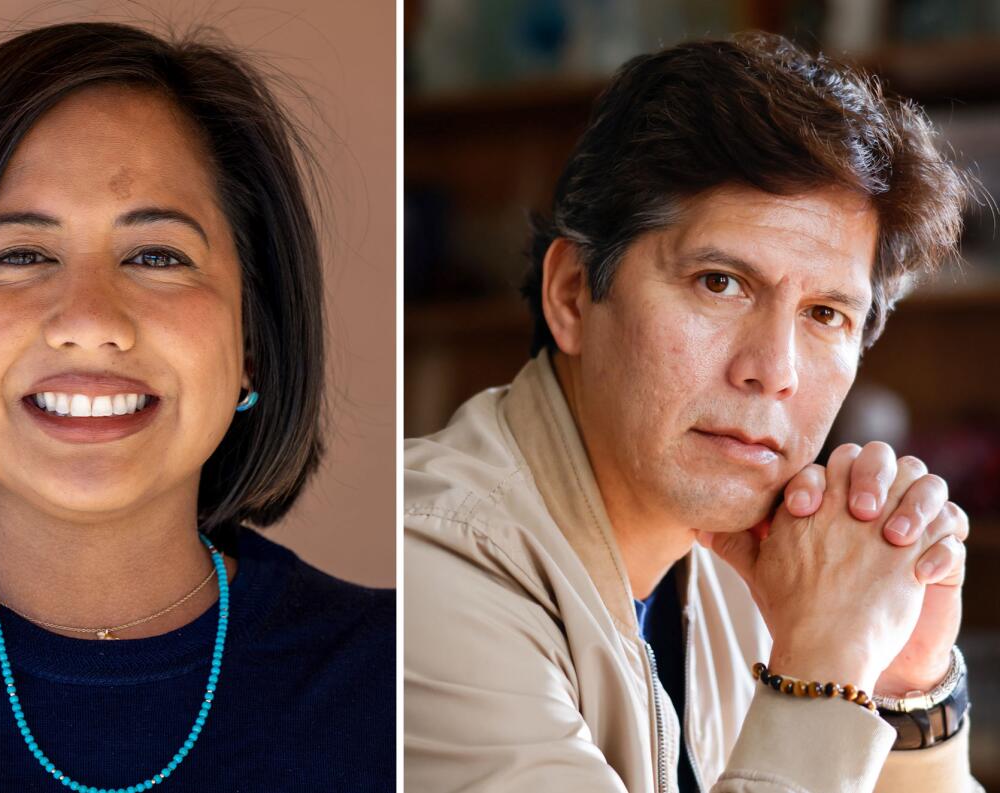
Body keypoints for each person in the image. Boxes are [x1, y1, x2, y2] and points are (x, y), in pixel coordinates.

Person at [0, 21, 393, 792]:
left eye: (157, 256)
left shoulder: (401, 673)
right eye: (20, 255)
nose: (90, 321)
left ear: (252, 341)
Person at [405, 32, 983, 793]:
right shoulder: (426, 577)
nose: (772, 371)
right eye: (720, 283)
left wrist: (906, 681)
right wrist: (822, 667)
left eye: (823, 314)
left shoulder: (765, 559)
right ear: (574, 293)